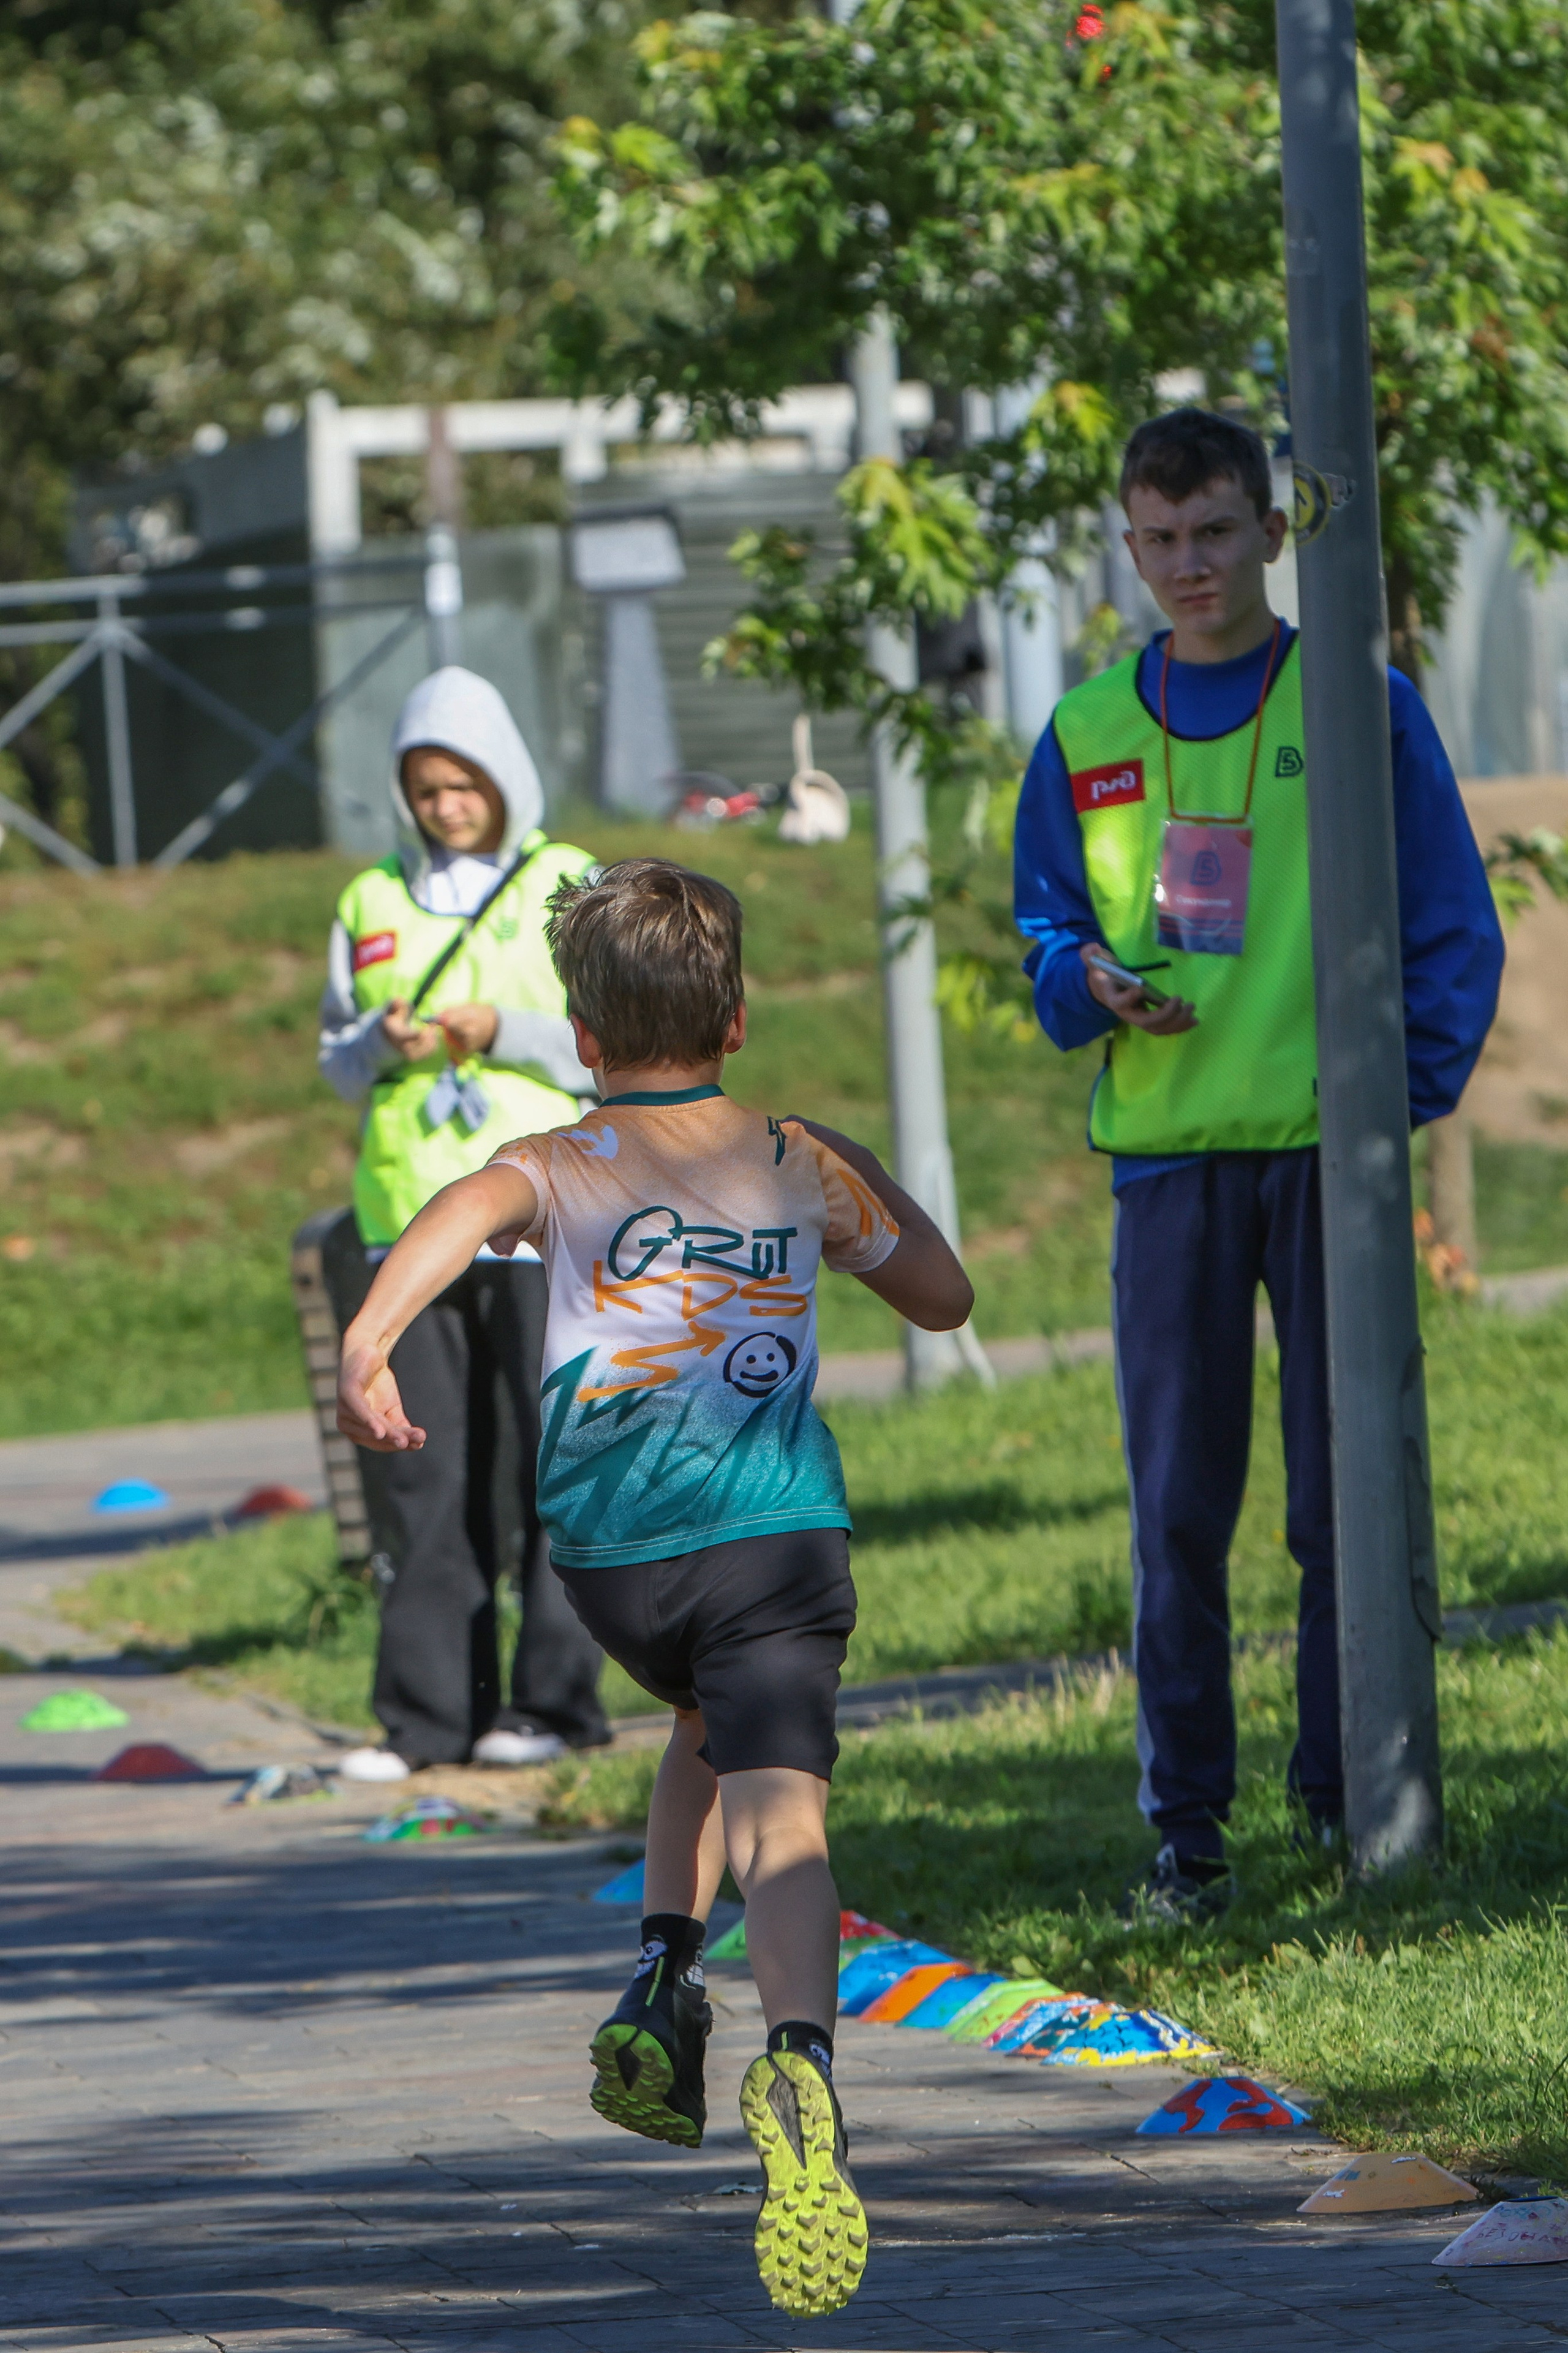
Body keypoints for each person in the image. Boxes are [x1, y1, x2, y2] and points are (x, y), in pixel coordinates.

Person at [336, 857, 973, 2318]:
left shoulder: (557, 1162)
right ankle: (801, 2058)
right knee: (784, 1809)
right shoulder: (795, 1156)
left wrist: (372, 1341)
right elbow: (943, 1296)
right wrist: (840, 1183)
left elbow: (451, 1207)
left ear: (580, 1037)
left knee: (697, 1723)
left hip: (611, 1561)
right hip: (771, 1542)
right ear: (738, 1016)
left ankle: (661, 1973)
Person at [1013, 409, 1503, 1916]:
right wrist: (1080, 984)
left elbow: (1449, 932)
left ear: (1272, 534)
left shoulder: (1361, 704)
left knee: (1337, 1495)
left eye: (1213, 532)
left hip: (1322, 1161)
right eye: (1155, 541)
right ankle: (1191, 1828)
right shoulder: (1087, 730)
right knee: (1176, 1508)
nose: (1186, 566)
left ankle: (1349, 1791)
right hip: (1167, 1169)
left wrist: (1388, 1113)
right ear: (1126, 542)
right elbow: (1043, 936)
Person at [318, 665, 609, 1782]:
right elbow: (336, 1063)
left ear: (504, 778)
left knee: (550, 1461)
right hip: (407, 1225)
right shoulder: (367, 901)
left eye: (465, 783)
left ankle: (549, 1702)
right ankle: (426, 1714)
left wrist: (505, 1029)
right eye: (426, 786)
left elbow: (607, 1035)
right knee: (424, 1473)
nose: (446, 804)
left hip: (541, 1214)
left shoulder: (569, 878)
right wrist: (378, 1048)